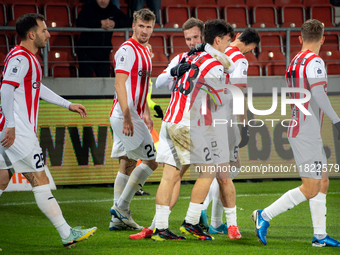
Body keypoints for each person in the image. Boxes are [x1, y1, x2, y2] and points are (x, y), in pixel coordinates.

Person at [0, 13, 97, 248]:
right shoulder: (22, 58)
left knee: (2, 180)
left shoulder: (24, 57)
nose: (49, 34)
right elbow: (5, 89)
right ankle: (66, 233)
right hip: (18, 132)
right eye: (44, 30)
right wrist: (11, 125)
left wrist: (67, 104)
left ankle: (67, 233)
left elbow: (35, 87)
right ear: (32, 34)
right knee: (40, 179)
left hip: (10, 129)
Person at [252, 19, 340, 247]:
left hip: (301, 126)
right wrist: (337, 120)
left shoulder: (294, 61)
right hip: (306, 132)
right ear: (323, 39)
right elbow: (319, 94)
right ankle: (264, 215)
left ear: (299, 38)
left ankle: (319, 236)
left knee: (322, 181)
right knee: (311, 187)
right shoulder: (315, 61)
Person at [150, 19, 235, 241]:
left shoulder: (188, 56)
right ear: (217, 40)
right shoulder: (213, 64)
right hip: (188, 124)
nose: (228, 44)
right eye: (227, 40)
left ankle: (160, 228)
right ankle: (190, 222)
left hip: (170, 120)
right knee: (208, 171)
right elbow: (217, 100)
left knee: (169, 176)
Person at [128, 17, 204, 239]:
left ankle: (156, 226)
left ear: (203, 36)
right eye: (188, 38)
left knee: (174, 175)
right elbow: (159, 82)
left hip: (175, 121)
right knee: (188, 172)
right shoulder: (183, 58)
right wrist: (174, 71)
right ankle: (190, 222)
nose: (191, 42)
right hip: (183, 123)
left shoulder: (202, 59)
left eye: (195, 38)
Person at [192, 28, 260, 239]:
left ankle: (215, 221)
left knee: (221, 168)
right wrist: (245, 124)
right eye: (252, 49)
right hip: (225, 117)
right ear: (251, 46)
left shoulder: (217, 52)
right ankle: (205, 212)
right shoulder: (239, 59)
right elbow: (237, 92)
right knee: (229, 169)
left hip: (204, 115)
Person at [109, 8, 158, 230]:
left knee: (127, 162)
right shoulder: (127, 50)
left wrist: (146, 112)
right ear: (133, 26)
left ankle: (117, 219)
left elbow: (142, 87)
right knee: (151, 161)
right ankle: (121, 208)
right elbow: (119, 83)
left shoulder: (145, 50)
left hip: (133, 115)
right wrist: (128, 117)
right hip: (125, 115)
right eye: (141, 26)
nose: (145, 30)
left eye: (148, 27)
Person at [76, 0, 131, 77]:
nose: (103, 1)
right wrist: (99, 23)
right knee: (86, 83)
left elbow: (129, 21)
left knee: (105, 83)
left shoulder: (112, 9)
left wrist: (115, 23)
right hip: (86, 53)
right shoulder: (88, 8)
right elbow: (80, 22)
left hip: (104, 54)